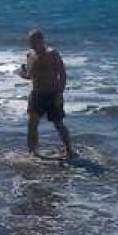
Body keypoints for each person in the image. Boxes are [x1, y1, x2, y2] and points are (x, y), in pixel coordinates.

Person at [16, 29, 74, 158]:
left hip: (53, 94)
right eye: (30, 41)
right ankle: (33, 153)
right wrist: (22, 73)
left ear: (41, 40)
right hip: (36, 95)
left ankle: (69, 149)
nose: (31, 43)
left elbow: (62, 74)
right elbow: (30, 75)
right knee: (31, 124)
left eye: (34, 41)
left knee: (58, 123)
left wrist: (60, 93)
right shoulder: (29, 55)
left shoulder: (52, 54)